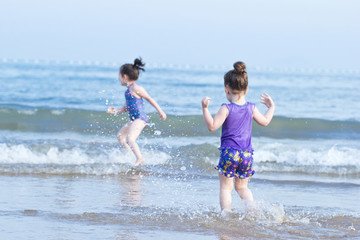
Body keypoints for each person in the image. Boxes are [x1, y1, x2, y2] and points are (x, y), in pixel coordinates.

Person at [201, 61, 275, 214]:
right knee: (242, 187)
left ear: (226, 89)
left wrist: (205, 109)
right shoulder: (251, 107)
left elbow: (212, 126)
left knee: (225, 188)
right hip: (247, 154)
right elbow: (265, 122)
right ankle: (252, 210)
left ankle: (226, 215)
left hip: (229, 153)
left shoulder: (226, 108)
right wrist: (271, 107)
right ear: (246, 89)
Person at [107, 58, 167, 166]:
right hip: (134, 120)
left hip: (140, 119)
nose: (118, 78)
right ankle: (131, 156)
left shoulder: (136, 88)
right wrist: (116, 111)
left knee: (130, 138)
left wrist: (160, 111)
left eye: (119, 76)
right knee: (120, 136)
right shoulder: (128, 91)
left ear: (124, 77)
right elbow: (127, 107)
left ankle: (140, 159)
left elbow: (149, 98)